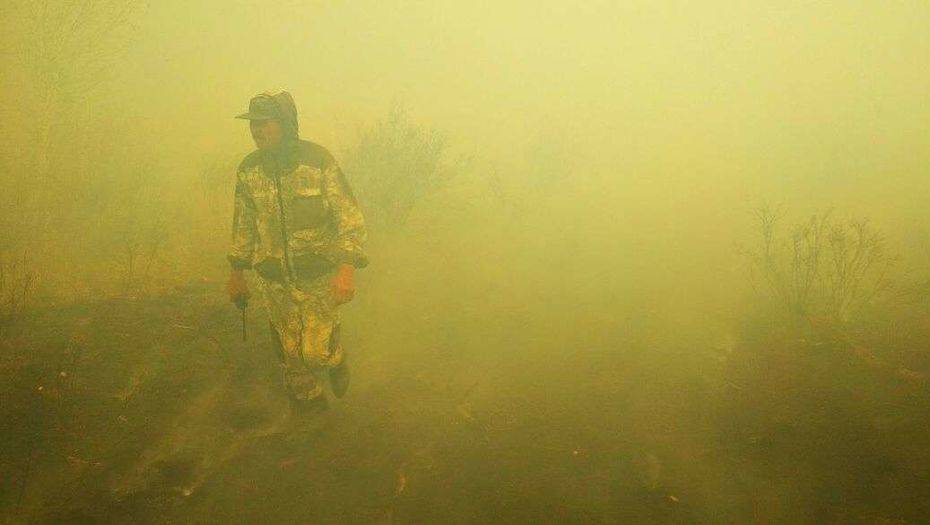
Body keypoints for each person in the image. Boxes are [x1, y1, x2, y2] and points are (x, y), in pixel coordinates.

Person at [225, 90, 367, 416]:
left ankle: (335, 358)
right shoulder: (249, 171)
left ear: (285, 124)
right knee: (290, 353)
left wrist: (347, 269)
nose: (257, 130)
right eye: (253, 124)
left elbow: (349, 218)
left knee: (315, 353)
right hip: (273, 280)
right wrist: (237, 273)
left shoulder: (317, 162)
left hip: (317, 277)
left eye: (264, 123)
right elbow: (242, 225)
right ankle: (310, 407)